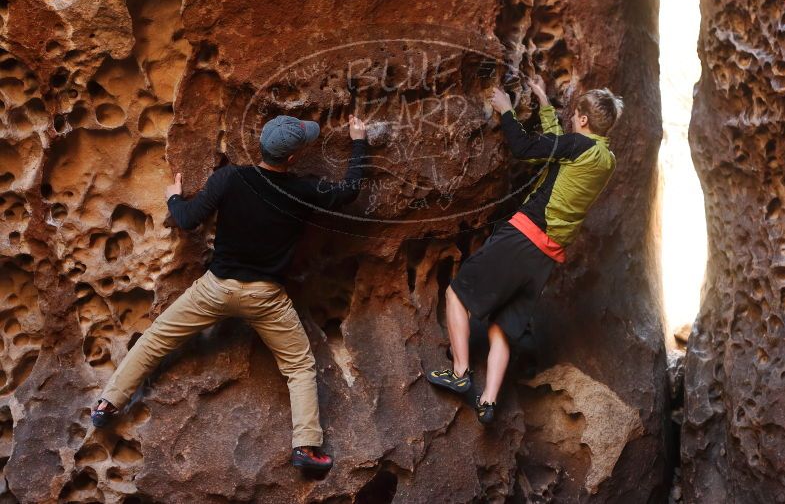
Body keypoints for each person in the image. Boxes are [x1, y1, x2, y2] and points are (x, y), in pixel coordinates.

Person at [90, 114, 369, 471]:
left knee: (155, 339)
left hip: (216, 288)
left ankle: (108, 403)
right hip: (266, 298)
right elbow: (349, 192)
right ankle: (306, 447)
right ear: (293, 158)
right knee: (299, 366)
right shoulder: (302, 191)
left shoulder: (231, 178)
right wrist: (359, 142)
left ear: (261, 146)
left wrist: (174, 199)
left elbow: (189, 219)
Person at [427, 74, 623, 424]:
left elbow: (527, 149)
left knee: (457, 294)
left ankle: (459, 373)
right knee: (504, 325)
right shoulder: (605, 159)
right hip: (546, 257)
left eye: (574, 115)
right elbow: (559, 148)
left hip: (524, 236)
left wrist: (505, 111)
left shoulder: (579, 147)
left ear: (581, 119)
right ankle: (487, 402)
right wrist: (545, 104)